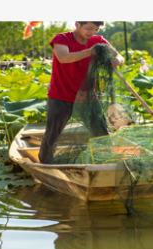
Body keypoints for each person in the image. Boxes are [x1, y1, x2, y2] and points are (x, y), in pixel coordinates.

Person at [38, 21, 125, 164]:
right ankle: (46, 165)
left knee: (101, 133)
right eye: (89, 28)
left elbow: (119, 56)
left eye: (96, 29)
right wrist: (91, 51)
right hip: (61, 95)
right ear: (77, 24)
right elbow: (63, 57)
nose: (92, 33)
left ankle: (105, 163)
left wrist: (117, 60)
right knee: (53, 135)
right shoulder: (62, 39)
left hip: (89, 97)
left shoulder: (99, 41)